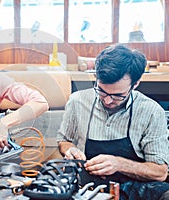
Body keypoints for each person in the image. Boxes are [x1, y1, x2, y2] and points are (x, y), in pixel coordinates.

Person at [57, 44, 169, 200]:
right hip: (89, 187)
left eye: (118, 95)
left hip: (136, 188)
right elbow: (64, 141)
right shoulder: (78, 101)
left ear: (135, 84)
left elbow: (160, 172)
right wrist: (70, 150)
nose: (108, 100)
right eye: (102, 91)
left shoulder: (151, 111)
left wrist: (119, 164)